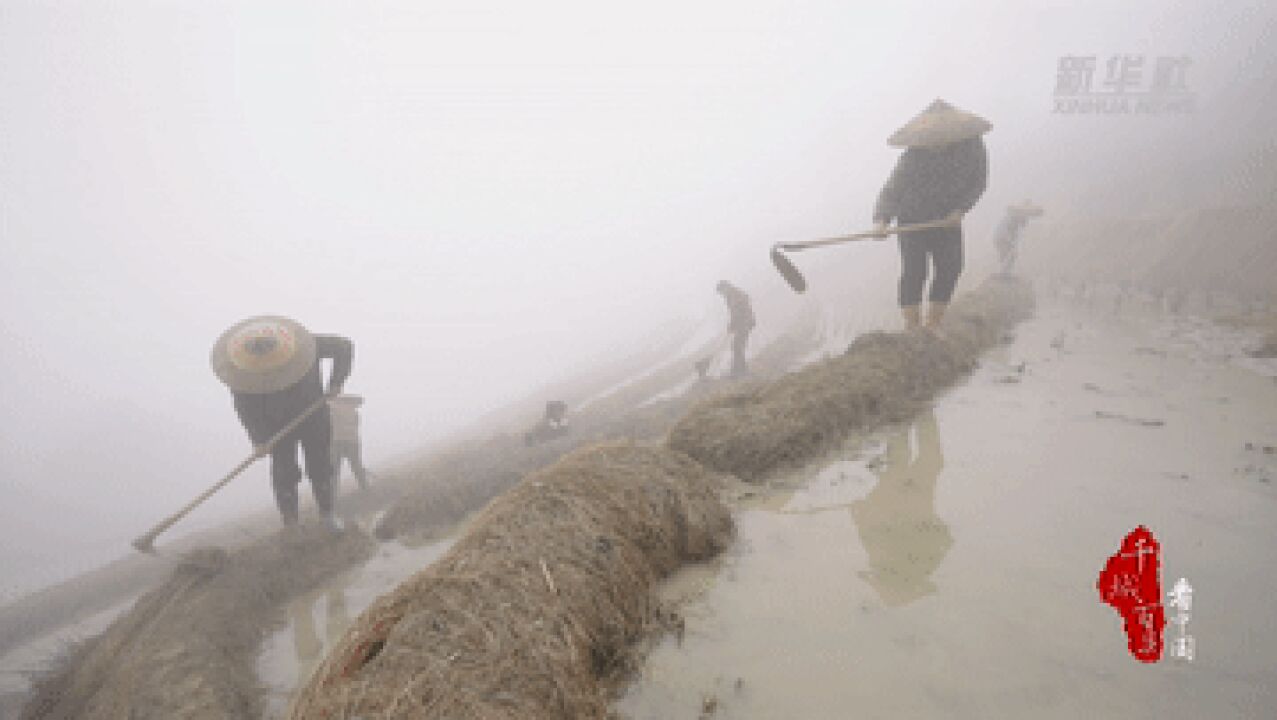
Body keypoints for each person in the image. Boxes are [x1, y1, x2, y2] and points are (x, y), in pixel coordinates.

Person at [210, 315, 352, 531]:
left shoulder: (303, 344)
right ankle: (291, 524)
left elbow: (344, 347)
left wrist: (336, 382)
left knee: (320, 466)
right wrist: (258, 440)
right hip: (275, 427)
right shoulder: (241, 372)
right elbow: (245, 409)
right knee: (284, 472)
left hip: (312, 415)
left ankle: (327, 514)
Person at [872, 99, 990, 330]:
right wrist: (881, 220)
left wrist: (960, 209)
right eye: (930, 142)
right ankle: (912, 326)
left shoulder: (973, 148)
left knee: (952, 267)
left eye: (940, 141)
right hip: (912, 219)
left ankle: (933, 322)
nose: (935, 146)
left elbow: (978, 182)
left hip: (947, 219)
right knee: (915, 271)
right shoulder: (913, 157)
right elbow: (891, 190)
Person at [328, 393, 373, 491]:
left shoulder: (334, 408)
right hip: (351, 441)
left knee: (335, 469)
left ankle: (332, 494)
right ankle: (365, 487)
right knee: (356, 465)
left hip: (338, 441)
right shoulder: (354, 413)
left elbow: (330, 426)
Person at [993, 200, 1045, 273]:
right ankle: (1004, 273)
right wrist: (1010, 241)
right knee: (1010, 254)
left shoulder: (1017, 217)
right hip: (1002, 236)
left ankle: (1005, 272)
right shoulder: (1014, 216)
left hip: (1002, 236)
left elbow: (1015, 231)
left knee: (1010, 254)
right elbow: (1007, 229)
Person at [716, 280, 755, 376]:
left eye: (722, 292)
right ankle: (739, 368)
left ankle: (741, 370)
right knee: (737, 346)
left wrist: (733, 324)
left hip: (745, 323)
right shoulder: (731, 296)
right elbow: (735, 312)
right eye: (721, 293)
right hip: (742, 323)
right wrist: (732, 324)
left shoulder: (735, 295)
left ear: (726, 288)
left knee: (737, 345)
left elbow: (738, 312)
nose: (722, 294)